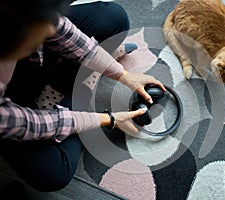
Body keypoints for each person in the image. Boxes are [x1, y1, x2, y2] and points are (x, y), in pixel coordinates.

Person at [0, 0, 165, 193]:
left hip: (20, 56)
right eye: (36, 38)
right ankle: (81, 90)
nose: (47, 36)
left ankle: (73, 79)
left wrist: (122, 74)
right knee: (53, 173)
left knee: (115, 18)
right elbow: (32, 124)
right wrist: (108, 119)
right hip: (10, 111)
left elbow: (61, 31)